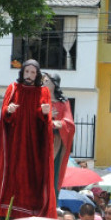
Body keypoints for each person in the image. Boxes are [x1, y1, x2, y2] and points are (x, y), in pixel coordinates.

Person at [0, 59, 56, 220]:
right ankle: (4, 211)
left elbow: (45, 121)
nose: (29, 75)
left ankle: (31, 211)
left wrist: (44, 113)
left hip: (33, 147)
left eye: (33, 73)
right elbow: (5, 115)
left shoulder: (43, 92)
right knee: (11, 176)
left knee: (32, 177)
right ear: (22, 72)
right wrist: (8, 110)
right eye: (27, 72)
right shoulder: (13, 89)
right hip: (13, 145)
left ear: (37, 75)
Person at [44, 72, 75, 201]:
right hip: (41, 141)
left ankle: (51, 200)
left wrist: (59, 123)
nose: (44, 83)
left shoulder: (63, 102)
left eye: (47, 81)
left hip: (56, 141)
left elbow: (69, 123)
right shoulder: (40, 100)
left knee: (53, 172)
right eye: (43, 81)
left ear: (54, 84)